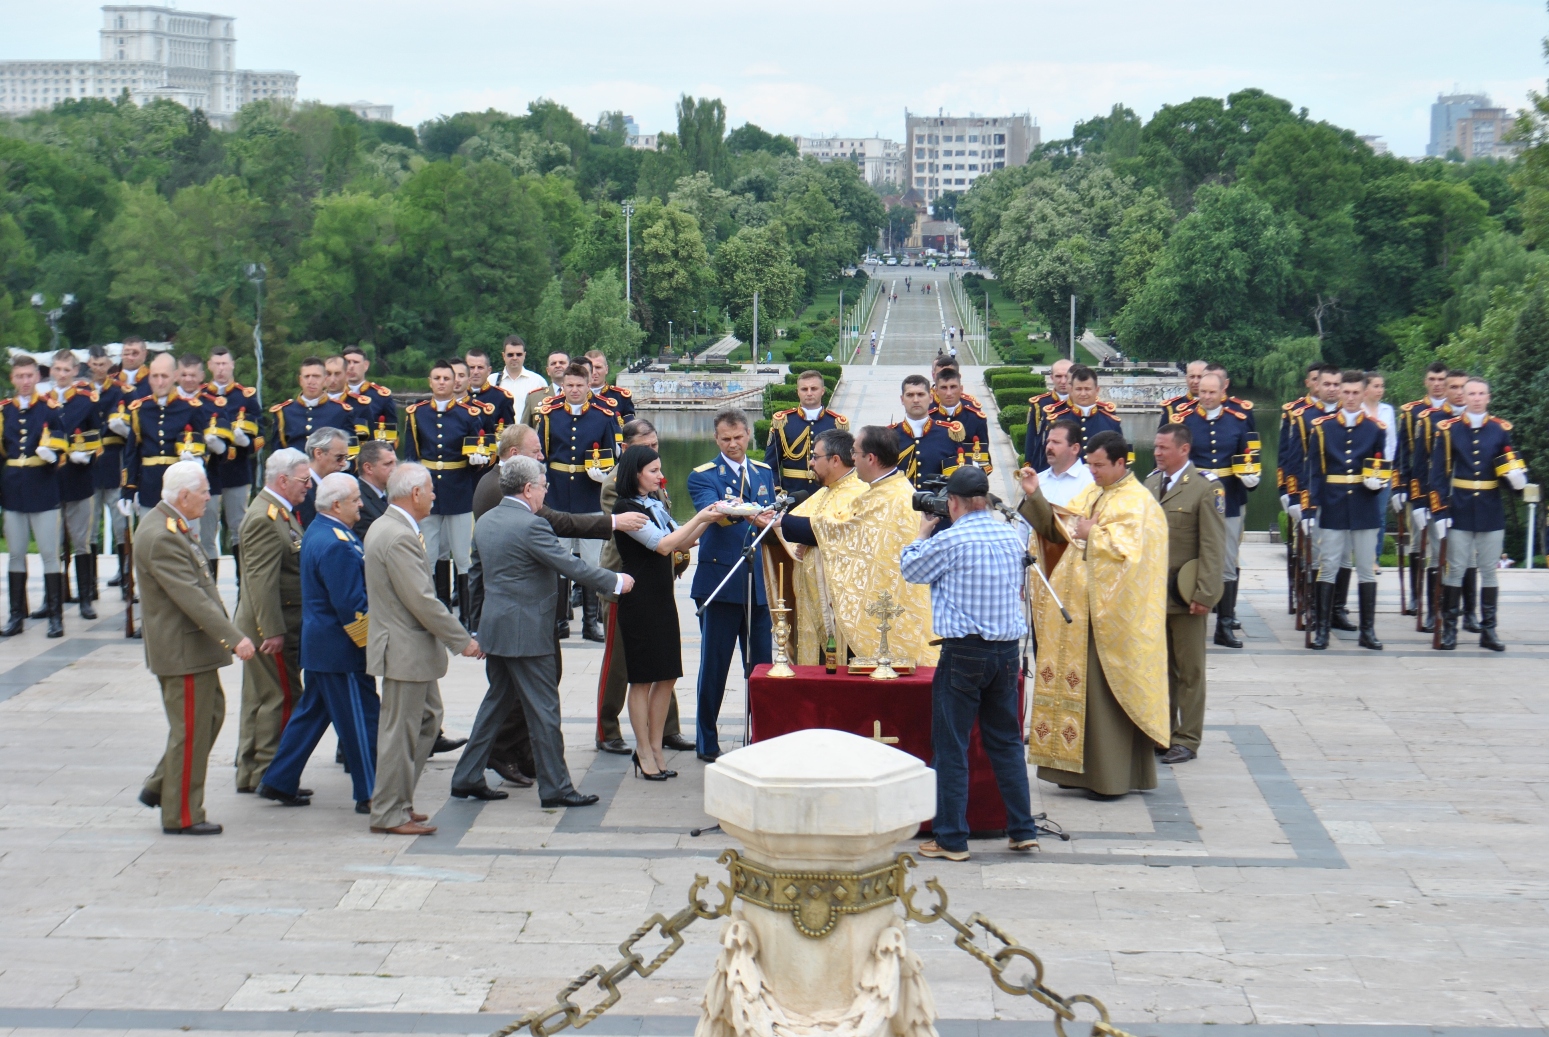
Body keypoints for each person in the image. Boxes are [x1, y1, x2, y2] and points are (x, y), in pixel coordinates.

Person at [467, 422, 647, 782]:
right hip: (521, 620)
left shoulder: (503, 493)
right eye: (536, 451)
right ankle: (534, 770)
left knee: (507, 696)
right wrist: (613, 557)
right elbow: (562, 541)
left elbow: (475, 571)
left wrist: (477, 624)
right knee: (538, 697)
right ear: (517, 459)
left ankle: (484, 767)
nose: (542, 457)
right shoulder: (511, 500)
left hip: (512, 616)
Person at [1018, 430, 1169, 799]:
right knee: (1081, 697)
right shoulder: (1093, 493)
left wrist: (1094, 535)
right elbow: (1060, 532)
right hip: (1077, 617)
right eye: (1090, 464)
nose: (1093, 471)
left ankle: (1110, 775)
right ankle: (1072, 772)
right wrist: (1035, 496)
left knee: (1103, 700)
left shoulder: (1138, 502)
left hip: (1110, 621)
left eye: (1099, 465)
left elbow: (1132, 559)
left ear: (1121, 462)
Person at [900, 465, 1040, 862]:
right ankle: (1022, 829)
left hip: (963, 653)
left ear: (955, 503)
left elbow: (910, 567)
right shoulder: (1010, 535)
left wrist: (923, 531)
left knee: (952, 746)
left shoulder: (954, 539)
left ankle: (951, 838)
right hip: (1005, 652)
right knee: (1007, 742)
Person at [133, 460, 256, 834]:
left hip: (192, 650)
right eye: (203, 492)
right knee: (190, 731)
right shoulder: (162, 535)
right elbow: (192, 598)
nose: (208, 497)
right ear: (183, 496)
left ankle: (161, 785)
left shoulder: (172, 525)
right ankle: (182, 814)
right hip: (181, 651)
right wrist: (235, 638)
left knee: (210, 717)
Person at [363, 462, 482, 835]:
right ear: (414, 494)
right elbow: (422, 600)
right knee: (400, 733)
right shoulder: (396, 535)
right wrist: (461, 640)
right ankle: (388, 810)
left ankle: (399, 801)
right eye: (430, 490)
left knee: (428, 719)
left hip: (411, 650)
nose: (434, 495)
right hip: (404, 650)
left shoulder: (395, 527)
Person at [257, 472, 379, 810]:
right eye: (356, 500)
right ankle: (370, 792)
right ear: (337, 504)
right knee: (362, 719)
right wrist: (370, 646)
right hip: (342, 652)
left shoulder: (323, 530)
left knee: (311, 714)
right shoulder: (338, 543)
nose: (360, 505)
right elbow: (351, 607)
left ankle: (279, 779)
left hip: (323, 649)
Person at [777, 425, 939, 669]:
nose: (851, 459)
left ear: (870, 458)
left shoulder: (891, 496)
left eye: (855, 453)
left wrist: (787, 524)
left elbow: (848, 535)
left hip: (887, 601)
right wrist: (816, 544)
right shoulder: (881, 490)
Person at [611, 446, 721, 778]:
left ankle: (656, 745)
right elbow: (662, 545)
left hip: (661, 595)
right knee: (643, 678)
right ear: (635, 474)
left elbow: (682, 542)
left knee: (667, 673)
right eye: (653, 471)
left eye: (659, 469)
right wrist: (701, 517)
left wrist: (710, 516)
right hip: (639, 596)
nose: (660, 476)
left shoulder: (654, 503)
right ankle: (643, 749)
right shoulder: (627, 508)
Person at [595, 419, 694, 755]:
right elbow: (646, 538)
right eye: (646, 447)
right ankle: (607, 729)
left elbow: (669, 529)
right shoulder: (616, 486)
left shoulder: (653, 479)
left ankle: (666, 730)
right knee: (621, 664)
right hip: (623, 580)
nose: (654, 453)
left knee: (661, 663)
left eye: (656, 445)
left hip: (655, 581)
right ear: (627, 448)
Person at [688, 408, 777, 761]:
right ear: (716, 439)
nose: (733, 444)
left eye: (738, 437)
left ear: (748, 435)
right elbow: (716, 511)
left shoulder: (764, 472)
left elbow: (770, 519)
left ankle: (764, 734)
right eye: (725, 439)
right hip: (720, 583)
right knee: (715, 666)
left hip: (758, 586)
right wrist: (749, 513)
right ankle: (707, 740)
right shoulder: (703, 475)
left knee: (762, 666)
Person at [1144, 424, 1225, 764]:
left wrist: (1206, 593)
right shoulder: (1149, 484)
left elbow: (1213, 546)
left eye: (1163, 448)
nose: (1157, 453)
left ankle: (1187, 738)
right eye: (1156, 447)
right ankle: (1162, 731)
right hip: (1153, 596)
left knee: (1189, 670)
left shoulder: (1206, 489)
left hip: (1186, 594)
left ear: (1184, 450)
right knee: (1160, 668)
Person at [1429, 377, 1526, 651]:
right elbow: (1438, 475)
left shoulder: (1500, 430)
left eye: (1481, 393)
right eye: (1471, 393)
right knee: (1456, 569)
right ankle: (1449, 629)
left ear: (1488, 397)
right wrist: (1439, 510)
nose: (1475, 398)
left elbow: (1508, 468)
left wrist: (1518, 480)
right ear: (1464, 395)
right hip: (1459, 507)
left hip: (1490, 508)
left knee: (1489, 571)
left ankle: (1488, 630)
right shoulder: (1449, 430)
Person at [233, 448, 309, 792]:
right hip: (271, 626)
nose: (308, 487)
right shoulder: (265, 517)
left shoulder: (278, 512)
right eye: (303, 480)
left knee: (259, 698)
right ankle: (269, 772)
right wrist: (273, 631)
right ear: (283, 480)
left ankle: (251, 772)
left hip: (271, 622)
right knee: (281, 697)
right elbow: (260, 583)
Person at [530, 362, 624, 642]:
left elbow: (612, 457)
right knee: (556, 559)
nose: (573, 390)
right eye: (569, 385)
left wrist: (604, 475)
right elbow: (541, 455)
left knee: (592, 562)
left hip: (588, 494)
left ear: (587, 387)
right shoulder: (549, 414)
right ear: (564, 386)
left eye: (579, 386)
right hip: (557, 494)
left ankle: (590, 624)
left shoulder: (603, 415)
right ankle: (559, 620)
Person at [1302, 371, 1388, 651]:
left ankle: (1368, 630)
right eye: (1346, 392)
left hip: (1364, 505)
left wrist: (1378, 482)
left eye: (1355, 393)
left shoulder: (1376, 429)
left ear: (1364, 394)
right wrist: (1308, 508)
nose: (1350, 398)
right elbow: (1314, 472)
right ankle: (1323, 630)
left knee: (1365, 568)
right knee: (1327, 567)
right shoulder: (1323, 428)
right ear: (1338, 393)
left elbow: (1380, 466)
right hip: (1333, 504)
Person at [403, 359, 491, 625]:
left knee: (462, 555)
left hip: (459, 489)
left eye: (446, 378)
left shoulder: (468, 414)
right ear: (430, 383)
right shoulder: (417, 414)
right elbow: (411, 456)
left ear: (456, 383)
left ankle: (468, 617)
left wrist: (479, 460)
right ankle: (435, 613)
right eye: (437, 378)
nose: (442, 382)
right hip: (428, 492)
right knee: (428, 555)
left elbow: (480, 452)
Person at [1178, 372, 1258, 648]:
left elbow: (1249, 455)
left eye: (1212, 392)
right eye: (1203, 392)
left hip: (1229, 497)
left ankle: (1225, 625)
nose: (1207, 397)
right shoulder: (1185, 421)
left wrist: (1252, 476)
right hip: (1195, 497)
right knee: (1189, 556)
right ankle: (1187, 619)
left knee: (1226, 561)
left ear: (1223, 392)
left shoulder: (1238, 420)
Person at [779, 428, 866, 665]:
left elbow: (840, 533)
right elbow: (811, 528)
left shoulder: (859, 492)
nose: (810, 462)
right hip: (811, 599)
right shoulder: (824, 492)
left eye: (816, 457)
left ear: (835, 460)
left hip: (840, 606)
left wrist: (809, 540)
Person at [0, 354, 68, 637]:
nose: (25, 381)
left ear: (37, 377)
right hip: (13, 488)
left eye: (30, 376)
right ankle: (17, 616)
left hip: (42, 487)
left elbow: (62, 443)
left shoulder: (50, 409)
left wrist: (51, 454)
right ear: (13, 379)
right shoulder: (4, 411)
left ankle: (55, 616)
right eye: (20, 376)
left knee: (49, 554)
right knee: (15, 553)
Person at [45, 350, 102, 621]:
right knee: (53, 544)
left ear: (75, 371)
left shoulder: (86, 401)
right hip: (51, 481)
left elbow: (95, 437)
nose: (61, 374)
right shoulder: (43, 402)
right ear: (51, 371)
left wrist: (85, 454)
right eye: (57, 369)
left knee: (81, 542)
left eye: (66, 370)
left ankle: (85, 599)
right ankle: (51, 598)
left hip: (78, 479)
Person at [1396, 361, 1449, 619]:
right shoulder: (1412, 412)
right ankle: (1417, 594)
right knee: (1419, 541)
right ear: (1425, 382)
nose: (1437, 384)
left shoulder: (1457, 412)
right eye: (1433, 379)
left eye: (1442, 379)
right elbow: (1403, 452)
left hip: (1450, 488)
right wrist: (1400, 485)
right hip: (1421, 487)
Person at [201, 347, 259, 582]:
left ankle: (242, 583)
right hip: (210, 472)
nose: (221, 369)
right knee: (207, 530)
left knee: (239, 529)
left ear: (233, 365)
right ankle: (209, 586)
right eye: (217, 364)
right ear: (209, 366)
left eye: (225, 364)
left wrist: (244, 441)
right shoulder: (201, 397)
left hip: (237, 470)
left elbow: (260, 438)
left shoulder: (245, 396)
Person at [89, 345, 132, 595]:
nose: (98, 369)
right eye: (94, 365)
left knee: (120, 525)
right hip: (89, 465)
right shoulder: (81, 393)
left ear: (110, 365)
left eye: (102, 364)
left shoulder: (120, 392)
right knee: (90, 527)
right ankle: (90, 582)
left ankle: (126, 575)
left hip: (114, 463)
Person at [766, 370, 849, 496]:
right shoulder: (783, 422)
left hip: (827, 496)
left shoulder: (836, 424)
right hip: (791, 495)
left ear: (822, 391)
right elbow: (770, 465)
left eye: (814, 388)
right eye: (804, 389)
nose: (809, 393)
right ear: (797, 392)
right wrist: (777, 492)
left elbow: (845, 465)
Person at [267, 356, 366, 452]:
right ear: (300, 380)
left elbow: (352, 451)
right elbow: (277, 452)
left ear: (325, 380)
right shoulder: (285, 412)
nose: (311, 381)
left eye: (316, 376)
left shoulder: (341, 411)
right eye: (307, 376)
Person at [892, 374, 965, 485]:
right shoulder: (889, 436)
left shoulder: (948, 434)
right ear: (902, 399)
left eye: (921, 394)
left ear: (931, 398)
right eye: (910, 395)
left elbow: (957, 480)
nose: (916, 400)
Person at [1042, 365, 1123, 456]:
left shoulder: (1111, 422)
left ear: (1097, 390)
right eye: (1078, 389)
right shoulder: (1056, 420)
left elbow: (1119, 459)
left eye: (1087, 389)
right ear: (1071, 390)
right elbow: (1047, 457)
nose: (1083, 394)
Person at [1363, 371, 1397, 570]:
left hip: (1384, 469)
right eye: (1376, 386)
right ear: (1365, 389)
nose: (1380, 390)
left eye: (1382, 386)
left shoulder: (1387, 410)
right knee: (1361, 512)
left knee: (1379, 515)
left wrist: (1391, 467)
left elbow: (1392, 442)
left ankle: (1374, 559)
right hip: (1363, 469)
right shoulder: (1357, 409)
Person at [929, 367, 992, 473]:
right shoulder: (929, 419)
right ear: (936, 391)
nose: (949, 393)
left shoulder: (976, 419)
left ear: (961, 389)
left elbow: (985, 461)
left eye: (953, 387)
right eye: (944, 388)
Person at [342, 345, 399, 445]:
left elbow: (391, 436)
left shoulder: (381, 397)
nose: (351, 366)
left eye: (356, 362)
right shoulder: (334, 396)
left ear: (366, 365)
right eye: (347, 362)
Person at [297, 426, 351, 528]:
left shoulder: (330, 486)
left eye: (345, 458)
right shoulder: (304, 491)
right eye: (339, 457)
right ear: (318, 454)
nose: (344, 463)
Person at [1024, 358, 1074, 465]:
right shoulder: (1039, 403)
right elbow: (1031, 439)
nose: (1063, 381)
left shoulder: (1082, 405)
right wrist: (1028, 464)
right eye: (1058, 376)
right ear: (1051, 377)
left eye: (1067, 376)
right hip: (1044, 464)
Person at [1034, 420, 1093, 508]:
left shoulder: (1090, 483)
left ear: (1075, 449)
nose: (1049, 447)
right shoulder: (1038, 480)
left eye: (1056, 442)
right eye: (1048, 441)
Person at [464, 346, 516, 435]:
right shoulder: (456, 396)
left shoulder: (502, 398)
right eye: (471, 367)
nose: (475, 372)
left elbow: (509, 436)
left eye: (480, 367)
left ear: (489, 371)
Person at [353, 439, 396, 537]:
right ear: (368, 468)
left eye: (395, 463)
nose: (394, 469)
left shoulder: (387, 496)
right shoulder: (359, 501)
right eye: (388, 464)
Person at [489, 334, 548, 402]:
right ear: (503, 356)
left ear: (524, 355)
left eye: (519, 354)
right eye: (510, 355)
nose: (515, 358)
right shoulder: (491, 380)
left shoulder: (538, 382)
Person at [522, 350, 571, 426]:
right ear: (548, 371)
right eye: (553, 363)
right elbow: (524, 430)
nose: (557, 365)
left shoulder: (581, 395)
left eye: (562, 363)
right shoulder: (533, 397)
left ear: (571, 368)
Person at [585, 350, 636, 421]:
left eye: (598, 367)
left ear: (606, 369)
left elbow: (630, 428)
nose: (593, 372)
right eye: (590, 368)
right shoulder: (573, 395)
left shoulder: (621, 397)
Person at [1158, 361, 1207, 428]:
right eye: (1192, 377)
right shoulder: (1172, 407)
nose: (1195, 381)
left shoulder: (1217, 406)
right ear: (1186, 378)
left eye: (1200, 377)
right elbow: (1162, 437)